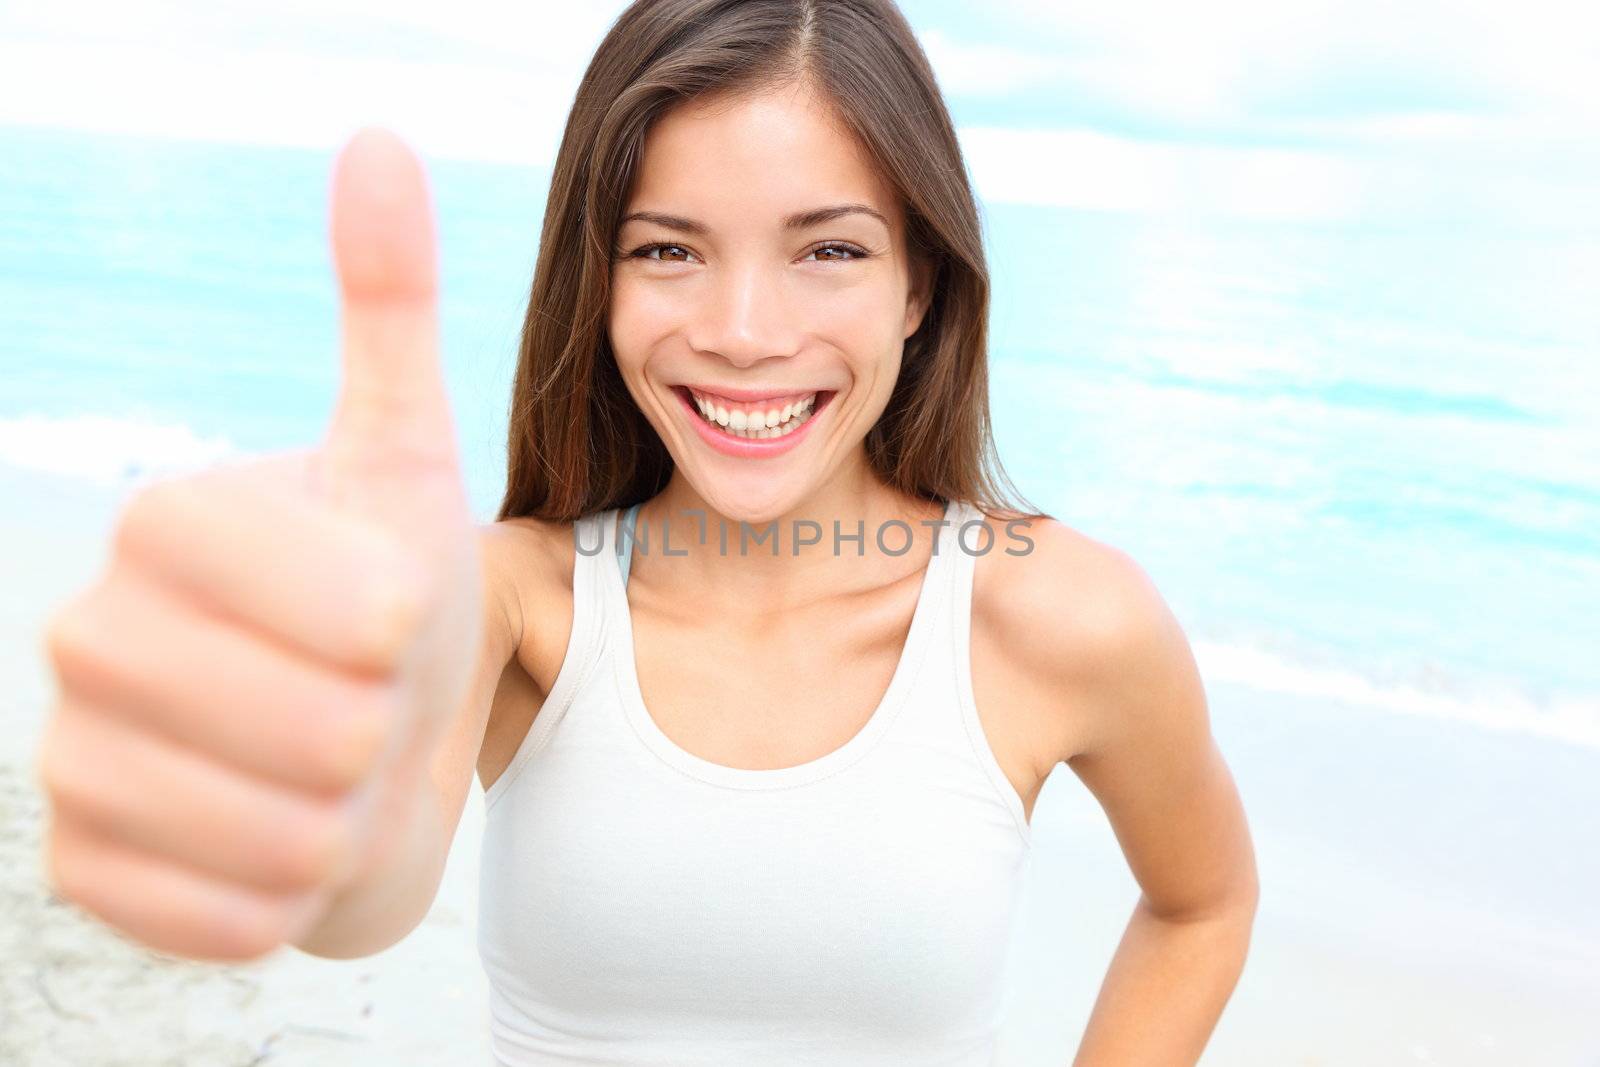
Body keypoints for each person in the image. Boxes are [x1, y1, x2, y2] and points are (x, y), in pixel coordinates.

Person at [35, 0, 1258, 1063]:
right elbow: (363, 898)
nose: (741, 328)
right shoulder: (513, 598)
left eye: (828, 248)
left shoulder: (1051, 615)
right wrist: (286, 804)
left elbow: (1202, 901)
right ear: (598, 281)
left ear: (919, 284)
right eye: (668, 249)